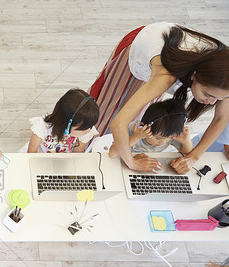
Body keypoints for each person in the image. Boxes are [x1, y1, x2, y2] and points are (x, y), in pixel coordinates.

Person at [89, 22, 229, 174]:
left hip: (172, 57)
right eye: (208, 95)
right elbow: (118, 123)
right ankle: (86, 147)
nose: (213, 102)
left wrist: (194, 157)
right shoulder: (165, 77)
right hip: (143, 47)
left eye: (220, 98)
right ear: (194, 75)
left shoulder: (224, 77)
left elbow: (221, 118)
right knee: (109, 110)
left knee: (146, 114)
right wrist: (131, 162)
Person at [109, 99, 193, 156]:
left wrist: (186, 142)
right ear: (144, 127)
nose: (163, 142)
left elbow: (186, 152)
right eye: (158, 138)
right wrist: (136, 137)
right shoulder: (134, 129)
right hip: (125, 161)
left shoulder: (169, 132)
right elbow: (113, 152)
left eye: (169, 138)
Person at [26, 89, 99, 153]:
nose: (88, 131)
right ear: (67, 124)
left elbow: (77, 153)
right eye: (83, 129)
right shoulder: (42, 128)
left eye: (90, 126)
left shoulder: (85, 131)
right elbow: (31, 153)